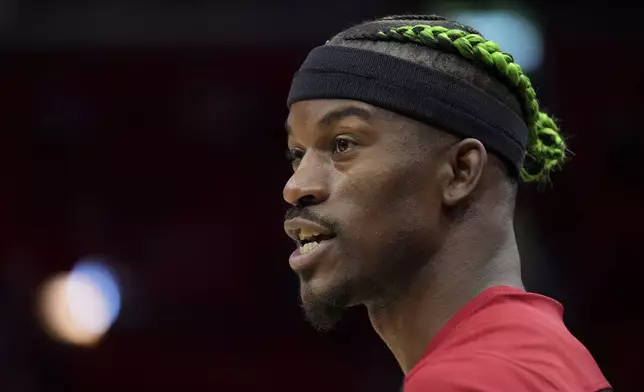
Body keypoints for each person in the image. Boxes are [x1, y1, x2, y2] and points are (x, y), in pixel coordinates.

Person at [281, 14, 612, 391]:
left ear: (460, 171)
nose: (296, 186)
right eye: (297, 153)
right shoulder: (546, 357)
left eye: (343, 144)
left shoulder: (468, 379)